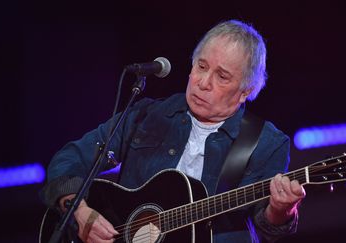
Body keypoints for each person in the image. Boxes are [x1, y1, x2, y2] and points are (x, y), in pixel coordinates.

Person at [40, 19, 306, 243]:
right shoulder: (145, 115)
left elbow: (264, 226)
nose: (203, 83)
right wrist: (79, 209)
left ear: (246, 91)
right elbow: (69, 159)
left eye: (222, 77)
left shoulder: (266, 143)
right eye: (201, 66)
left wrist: (282, 210)